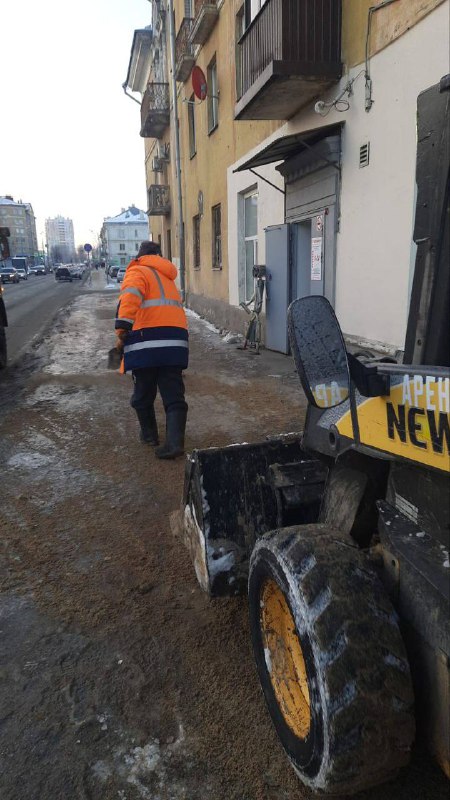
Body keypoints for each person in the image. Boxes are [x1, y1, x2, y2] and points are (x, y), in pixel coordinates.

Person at [115, 241, 188, 459]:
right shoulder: (167, 277)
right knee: (174, 394)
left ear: (141, 256)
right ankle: (174, 443)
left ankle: (149, 436)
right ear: (158, 256)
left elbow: (130, 296)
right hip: (175, 343)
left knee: (143, 394)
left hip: (146, 343)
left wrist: (122, 329)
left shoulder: (138, 270)